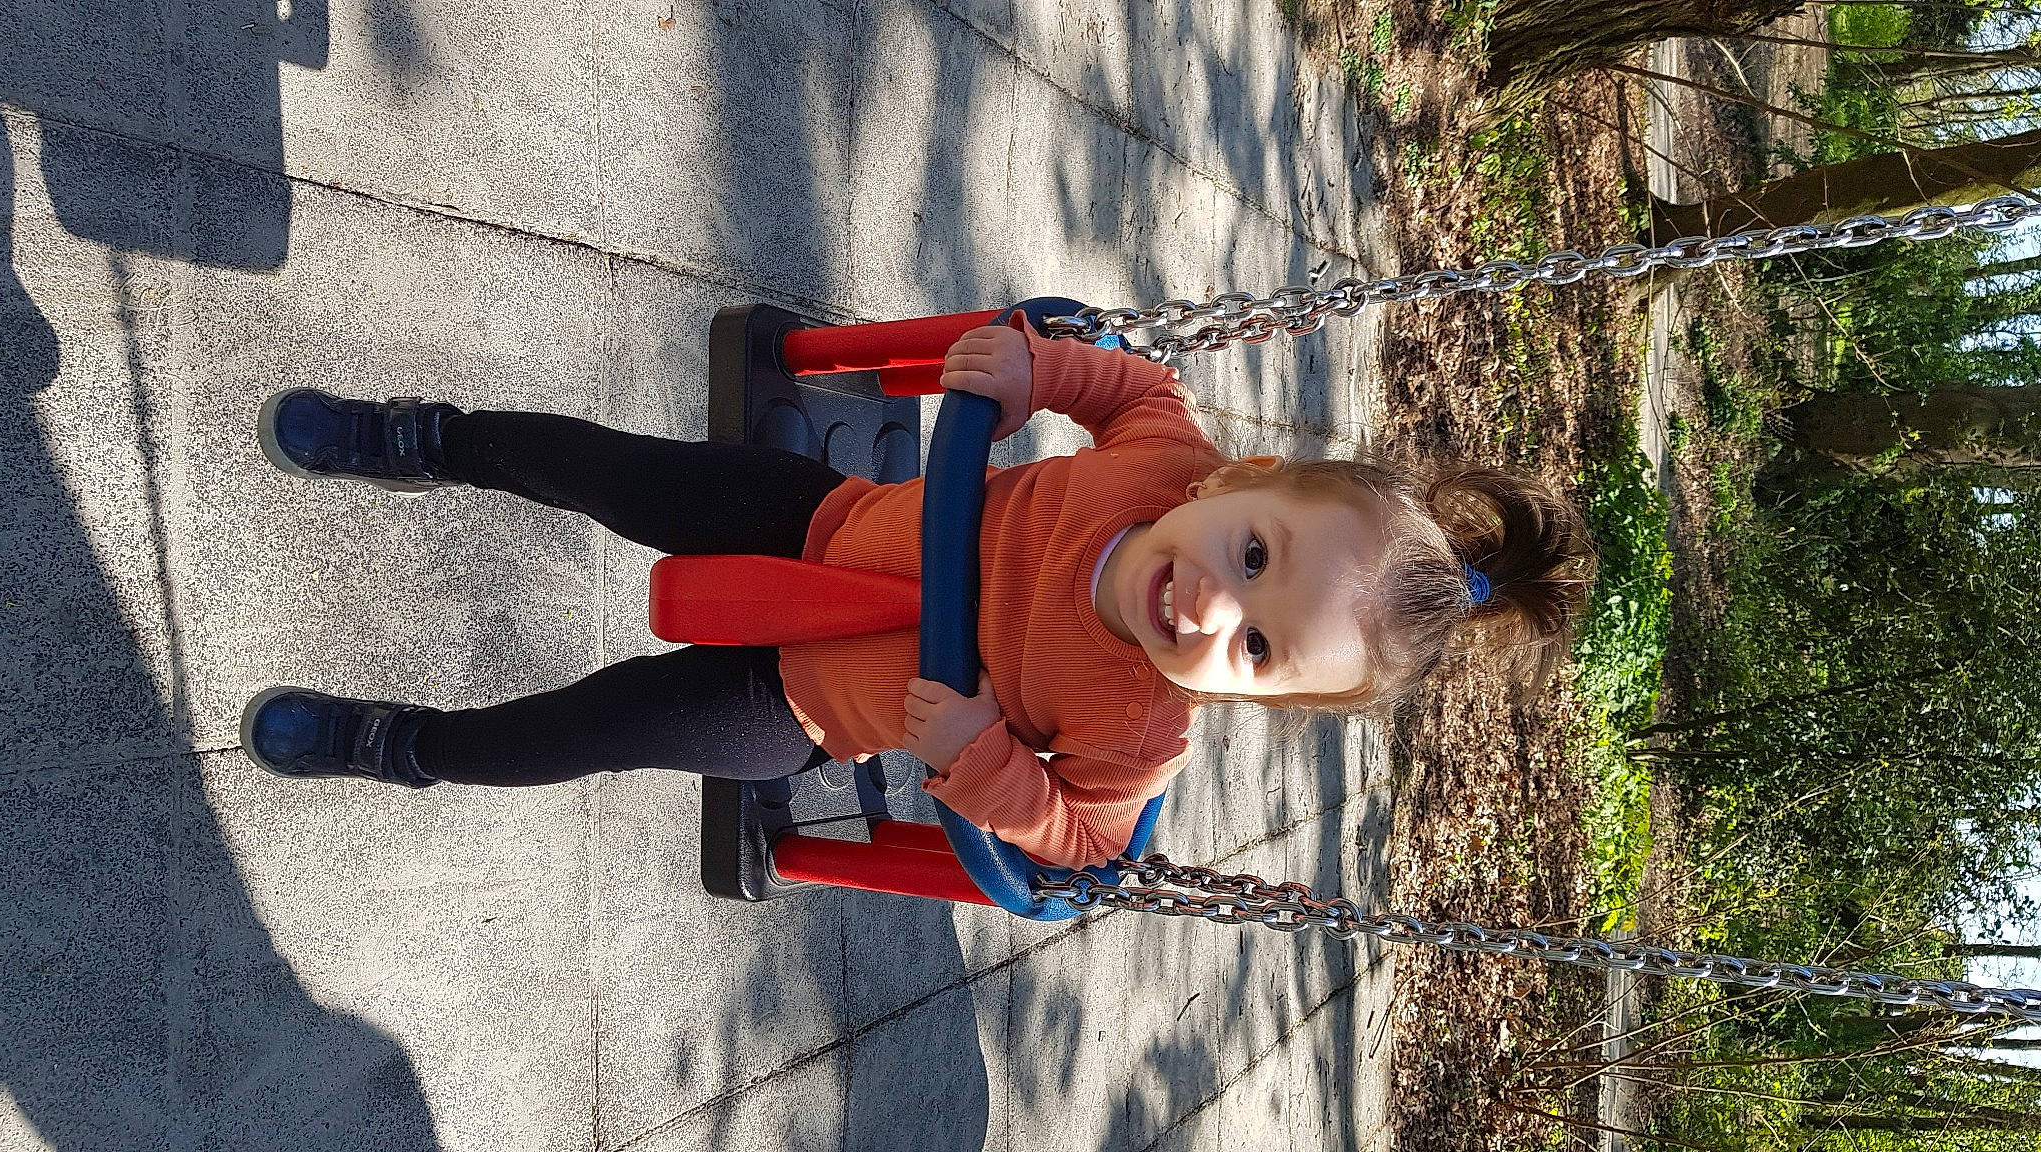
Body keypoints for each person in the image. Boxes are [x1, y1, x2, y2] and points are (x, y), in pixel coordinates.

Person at [241, 318, 1595, 868]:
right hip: (821, 520)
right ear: (1237, 482)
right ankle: (430, 439)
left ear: (1257, 698)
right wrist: (1032, 374)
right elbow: (1127, 381)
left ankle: (407, 746)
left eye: (1255, 649)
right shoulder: (1162, 458)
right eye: (1252, 557)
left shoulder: (1138, 730)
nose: (1210, 611)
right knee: (608, 468)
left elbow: (1084, 840)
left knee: (599, 728)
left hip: (798, 706)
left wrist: (989, 760)